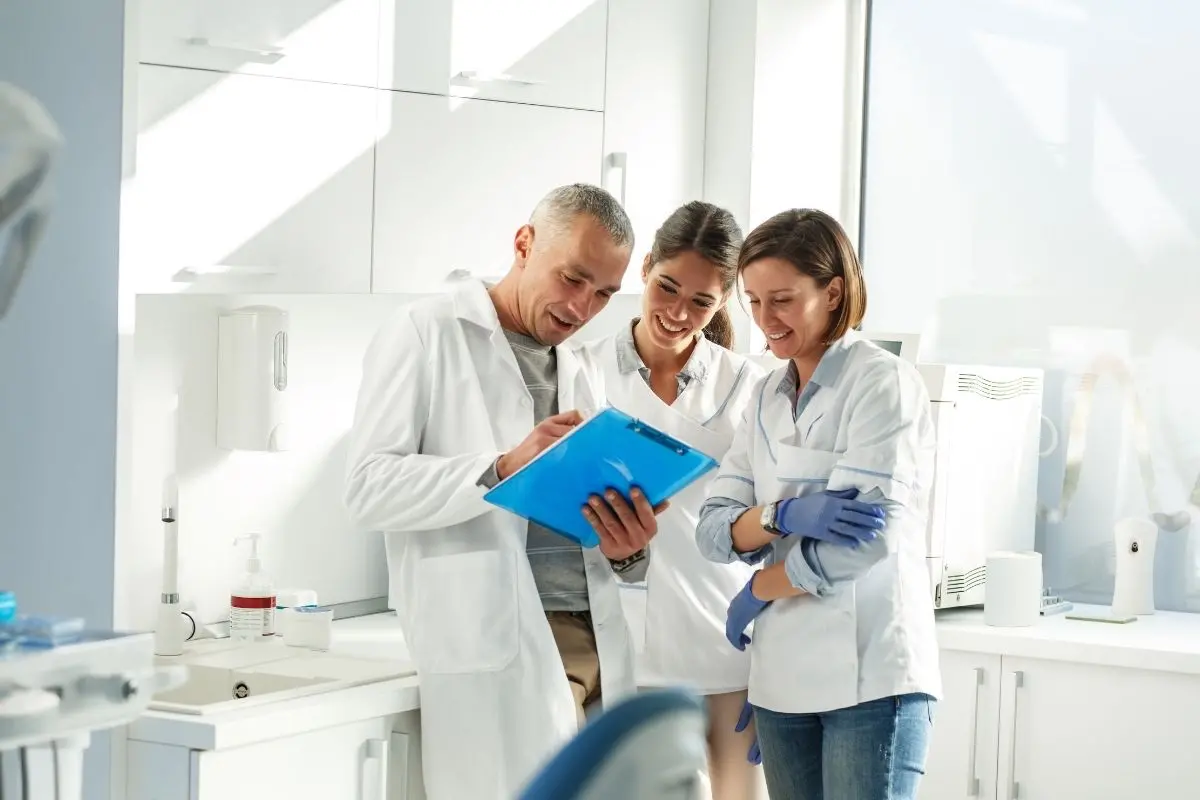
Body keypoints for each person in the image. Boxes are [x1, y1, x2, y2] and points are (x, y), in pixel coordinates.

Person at [344, 184, 666, 800]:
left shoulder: (581, 364)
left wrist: (628, 545)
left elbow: (582, 523)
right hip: (508, 640)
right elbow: (366, 486)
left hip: (599, 638)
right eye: (573, 278)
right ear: (524, 244)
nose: (583, 306)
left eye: (603, 292)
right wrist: (500, 467)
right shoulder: (425, 331)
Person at [696, 208, 941, 800]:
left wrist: (758, 587)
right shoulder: (764, 395)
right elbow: (712, 529)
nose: (764, 321)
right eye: (752, 301)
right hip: (783, 681)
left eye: (781, 299)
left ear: (833, 292)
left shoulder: (882, 383)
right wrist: (781, 516)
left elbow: (864, 542)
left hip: (872, 677)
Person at [580, 200, 771, 799]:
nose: (678, 313)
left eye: (701, 302)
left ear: (723, 304)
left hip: (727, 648)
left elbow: (768, 524)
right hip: (623, 651)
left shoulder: (748, 385)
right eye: (667, 288)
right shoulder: (583, 371)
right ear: (644, 269)